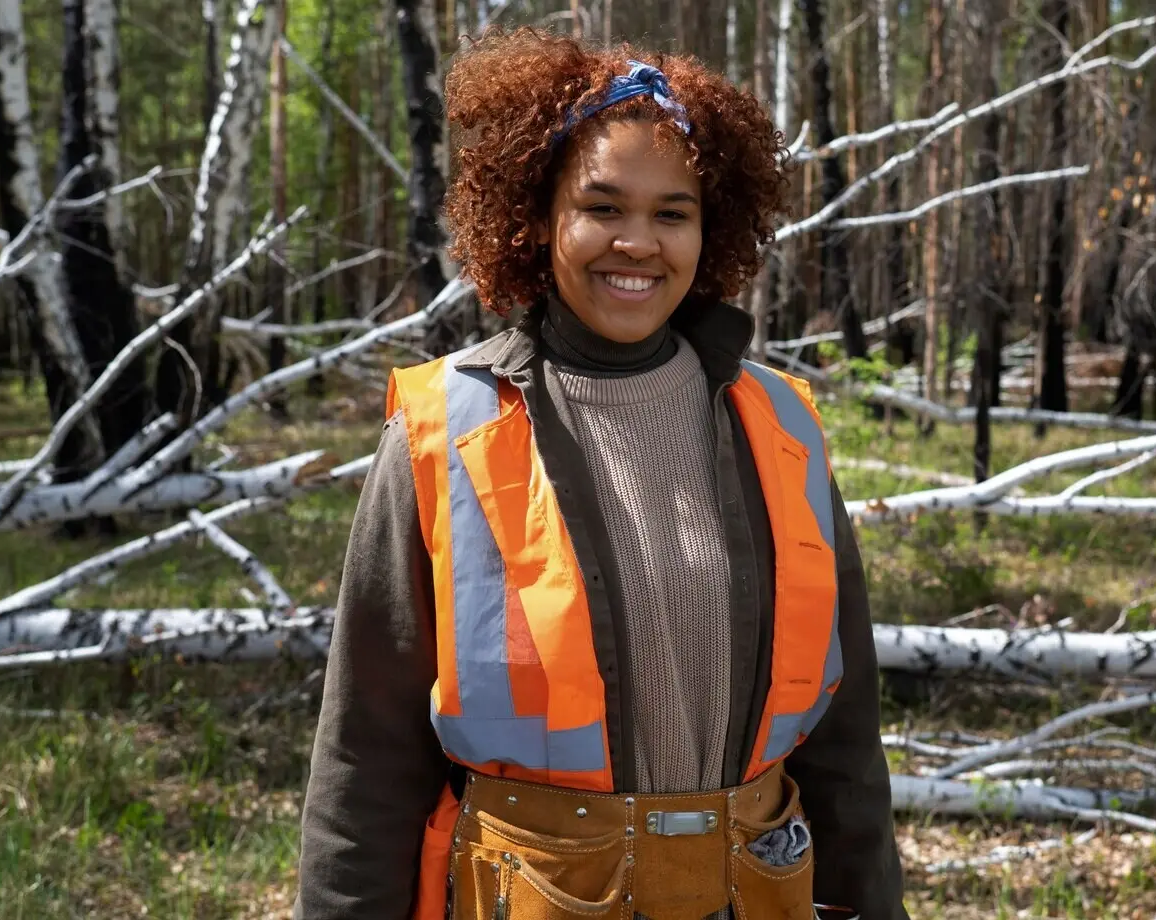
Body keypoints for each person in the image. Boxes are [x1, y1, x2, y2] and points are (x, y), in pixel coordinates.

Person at [294, 27, 908, 920]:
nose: (638, 242)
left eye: (673, 213)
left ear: (710, 230)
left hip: (758, 892)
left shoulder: (782, 427)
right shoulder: (443, 431)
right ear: (539, 216)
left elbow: (844, 746)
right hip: (531, 895)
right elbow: (367, 754)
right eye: (602, 206)